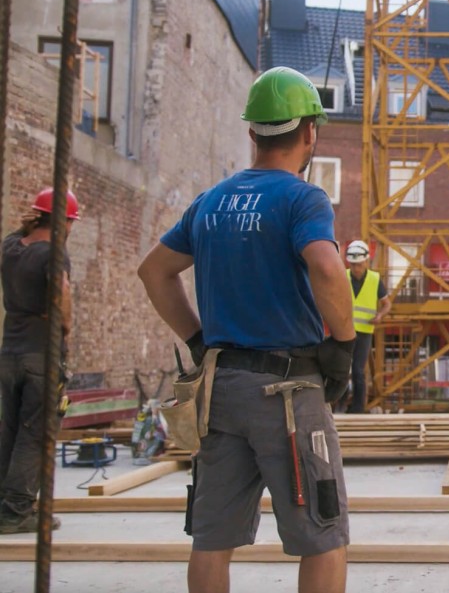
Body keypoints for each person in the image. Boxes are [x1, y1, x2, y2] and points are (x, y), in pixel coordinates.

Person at [137, 66, 357, 593]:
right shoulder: (302, 198)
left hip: (220, 393)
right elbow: (327, 268)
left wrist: (198, 341)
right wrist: (344, 345)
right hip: (289, 394)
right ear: (310, 131)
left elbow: (154, 271)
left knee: (211, 539)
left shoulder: (210, 202)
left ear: (253, 131)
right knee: (322, 535)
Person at [0, 188, 78, 535]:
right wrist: (66, 326)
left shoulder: (10, 246)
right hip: (41, 356)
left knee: (10, 430)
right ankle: (16, 511)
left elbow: (20, 234)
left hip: (9, 353)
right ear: (64, 221)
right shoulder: (53, 254)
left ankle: (4, 504)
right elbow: (62, 295)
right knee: (34, 434)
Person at [343, 240, 391, 414]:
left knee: (358, 371)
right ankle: (338, 406)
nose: (356, 269)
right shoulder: (342, 276)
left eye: (359, 264)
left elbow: (387, 304)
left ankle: (357, 409)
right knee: (341, 369)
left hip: (364, 332)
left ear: (366, 261)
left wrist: (380, 315)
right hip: (343, 330)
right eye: (353, 265)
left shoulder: (374, 279)